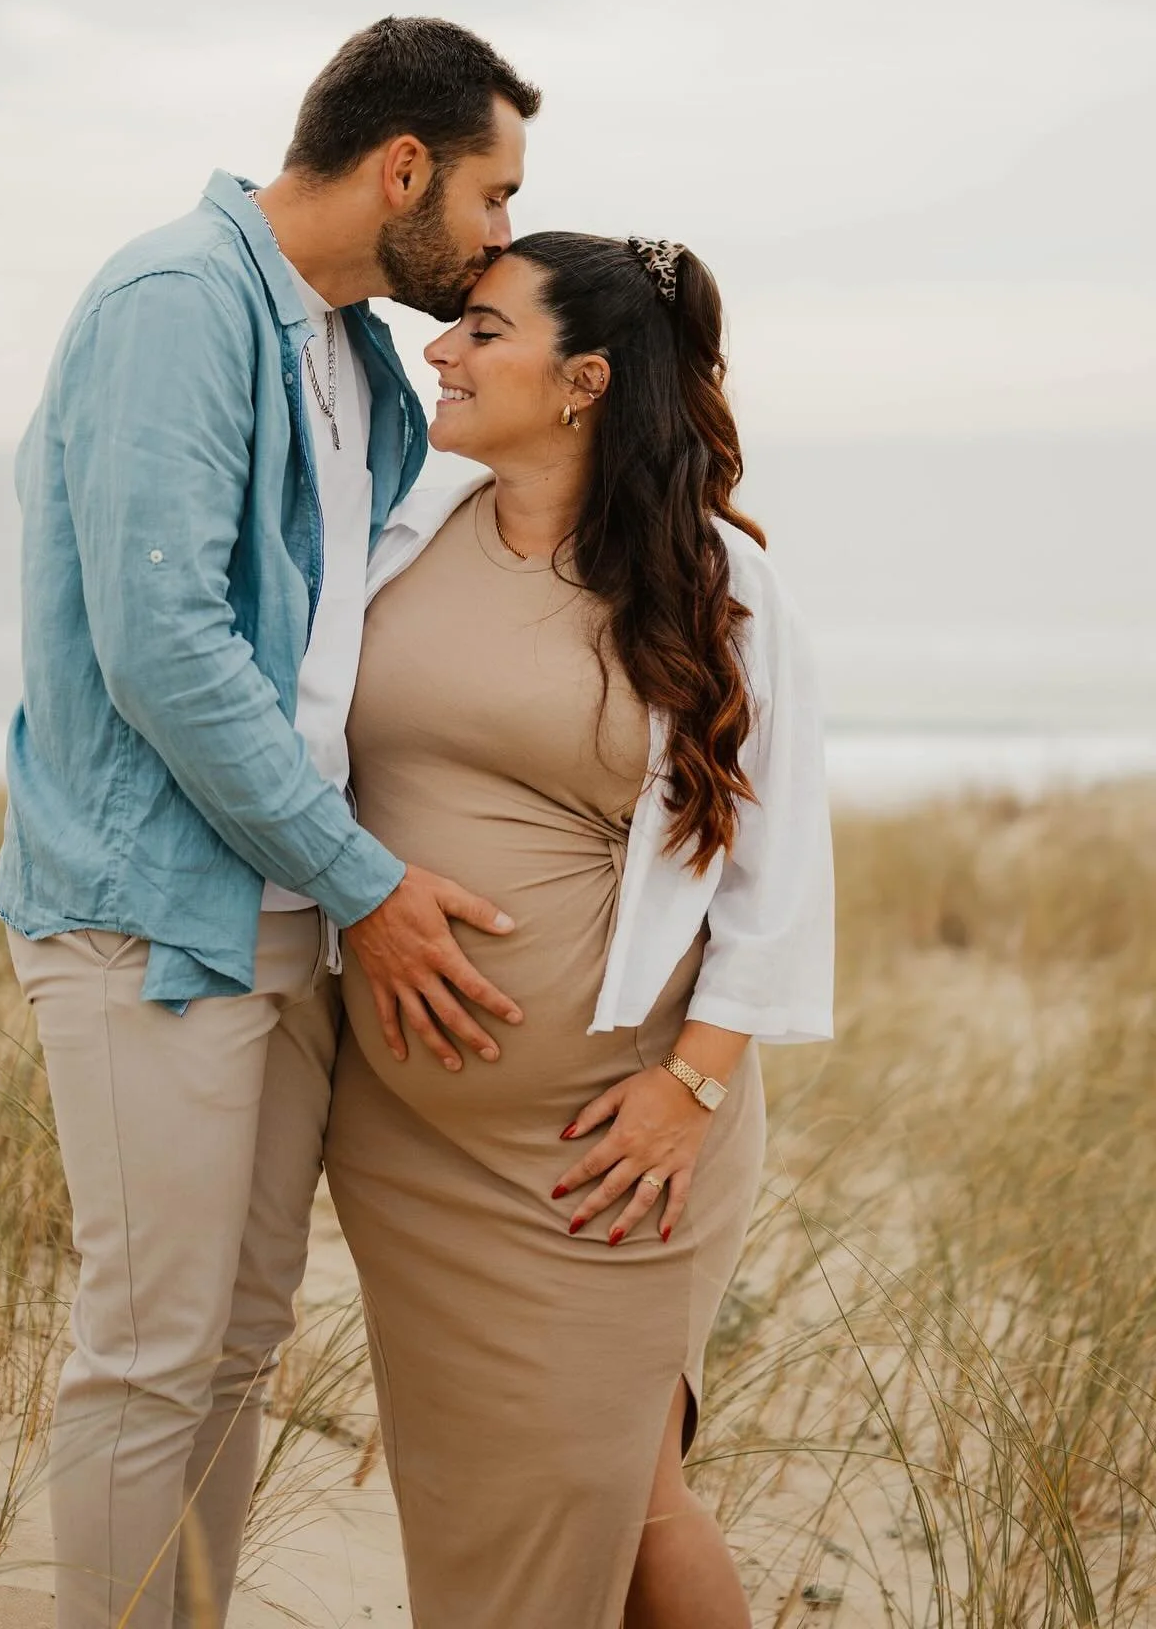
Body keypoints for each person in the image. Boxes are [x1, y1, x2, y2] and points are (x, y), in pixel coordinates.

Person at [0, 16, 542, 1629]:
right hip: (150, 911)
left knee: (234, 1344)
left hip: (287, 914)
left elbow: (379, 595)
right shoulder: (180, 302)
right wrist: (364, 881)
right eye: (494, 196)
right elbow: (163, 647)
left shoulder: (353, 349)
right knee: (148, 1353)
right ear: (404, 168)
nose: (501, 235)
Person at [323, 231, 835, 1629]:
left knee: (629, 1493)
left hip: (613, 1150)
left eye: (483, 331)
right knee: (482, 1508)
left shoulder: (715, 579)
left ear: (586, 381)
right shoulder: (401, 538)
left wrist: (691, 1087)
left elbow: (777, 870)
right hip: (407, 1143)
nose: (441, 349)